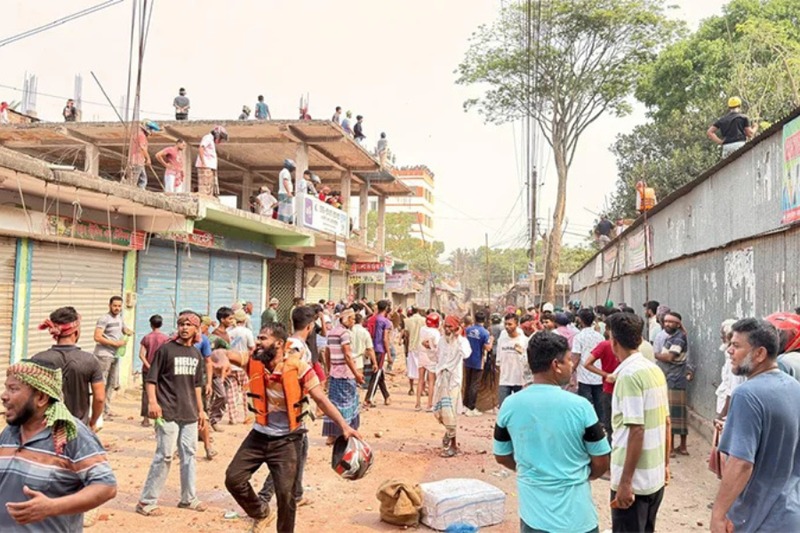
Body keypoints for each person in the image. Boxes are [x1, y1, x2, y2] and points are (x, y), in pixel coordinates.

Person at [224, 322, 362, 533]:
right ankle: (260, 511)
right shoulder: (254, 361)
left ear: (279, 343)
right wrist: (218, 357)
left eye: (263, 338)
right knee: (233, 479)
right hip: (259, 436)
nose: (257, 342)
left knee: (286, 496)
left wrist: (344, 426)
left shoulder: (299, 367)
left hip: (287, 440)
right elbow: (226, 355)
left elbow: (321, 400)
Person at [494, 331, 611, 533]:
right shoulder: (581, 407)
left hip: (534, 519)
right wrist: (577, 475)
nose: (572, 365)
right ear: (556, 366)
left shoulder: (510, 405)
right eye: (568, 360)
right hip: (577, 519)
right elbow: (601, 461)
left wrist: (532, 470)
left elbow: (502, 456)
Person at [0, 360, 117, 531]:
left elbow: (106, 486)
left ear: (41, 397)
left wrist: (52, 507)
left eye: (13, 389)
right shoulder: (9, 432)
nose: (4, 395)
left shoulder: (71, 435)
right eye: (6, 387)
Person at [711, 318, 800, 533]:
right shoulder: (795, 387)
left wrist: (718, 514)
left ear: (759, 354)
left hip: (756, 519)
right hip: (790, 515)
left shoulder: (747, 394)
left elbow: (741, 464)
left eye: (737, 345)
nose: (730, 351)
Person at [136, 312, 208, 517]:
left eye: (189, 324)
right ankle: (146, 501)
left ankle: (189, 498)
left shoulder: (196, 354)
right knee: (164, 455)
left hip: (190, 413)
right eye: (181, 324)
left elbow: (196, 386)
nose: (184, 327)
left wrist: (201, 410)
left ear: (196, 329)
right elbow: (151, 380)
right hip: (167, 411)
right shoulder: (165, 350)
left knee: (189, 455)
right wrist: (152, 402)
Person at [605, 312, 670, 533]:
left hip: (635, 484)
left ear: (613, 341)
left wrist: (625, 483)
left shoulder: (629, 376)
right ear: (640, 339)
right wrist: (665, 465)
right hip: (653, 478)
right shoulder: (654, 370)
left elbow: (636, 431)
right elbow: (666, 423)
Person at [32, 306, 104, 430]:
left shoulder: (38, 359)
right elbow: (100, 398)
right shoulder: (90, 360)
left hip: (46, 429)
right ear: (76, 332)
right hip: (79, 429)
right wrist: (93, 422)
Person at [322, 309, 364, 445]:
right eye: (352, 319)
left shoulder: (332, 332)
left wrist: (328, 369)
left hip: (334, 373)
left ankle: (331, 435)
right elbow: (347, 355)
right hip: (345, 374)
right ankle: (346, 432)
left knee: (333, 403)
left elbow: (327, 353)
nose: (353, 322)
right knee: (347, 403)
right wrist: (356, 373)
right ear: (346, 320)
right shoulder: (345, 334)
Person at [654, 311, 693, 456]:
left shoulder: (678, 338)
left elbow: (669, 357)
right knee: (678, 414)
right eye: (665, 321)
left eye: (671, 322)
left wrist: (656, 354)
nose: (667, 324)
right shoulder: (677, 336)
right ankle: (681, 447)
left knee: (671, 413)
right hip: (674, 378)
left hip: (674, 378)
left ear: (678, 324)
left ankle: (671, 448)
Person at [433, 315, 471, 458]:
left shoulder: (462, 341)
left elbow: (467, 354)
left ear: (456, 327)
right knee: (439, 412)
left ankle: (453, 446)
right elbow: (437, 357)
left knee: (450, 412)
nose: (448, 330)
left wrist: (459, 337)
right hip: (441, 379)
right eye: (446, 327)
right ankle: (449, 433)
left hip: (453, 381)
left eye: (450, 327)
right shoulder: (441, 341)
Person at [93, 296, 132, 418]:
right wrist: (115, 343)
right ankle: (98, 412)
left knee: (111, 384)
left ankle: (106, 410)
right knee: (102, 383)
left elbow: (123, 328)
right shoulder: (104, 319)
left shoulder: (119, 318)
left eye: (119, 306)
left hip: (115, 355)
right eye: (115, 306)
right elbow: (97, 337)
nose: (117, 308)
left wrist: (127, 331)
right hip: (104, 355)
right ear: (109, 305)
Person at [584, 336, 619, 441]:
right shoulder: (630, 347)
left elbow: (587, 363)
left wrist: (605, 374)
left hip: (609, 389)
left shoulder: (605, 345)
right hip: (621, 389)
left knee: (610, 426)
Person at [572, 308, 605, 422]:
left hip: (584, 376)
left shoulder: (578, 337)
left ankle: (586, 424)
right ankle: (601, 425)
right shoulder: (600, 336)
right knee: (599, 404)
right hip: (598, 374)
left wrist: (571, 372)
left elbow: (575, 358)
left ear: (580, 320)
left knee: (584, 404)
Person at [138, 314, 170, 427]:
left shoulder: (146, 338)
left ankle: (146, 418)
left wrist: (149, 366)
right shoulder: (166, 339)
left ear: (151, 324)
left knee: (146, 393)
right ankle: (160, 416)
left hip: (147, 370)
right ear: (161, 324)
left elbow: (141, 355)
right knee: (161, 392)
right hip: (161, 369)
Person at [495, 313, 530, 407]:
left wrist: (522, 352)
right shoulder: (502, 340)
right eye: (505, 324)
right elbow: (498, 361)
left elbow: (528, 362)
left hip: (520, 381)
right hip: (504, 381)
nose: (507, 327)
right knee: (503, 408)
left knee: (520, 408)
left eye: (510, 324)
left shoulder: (524, 341)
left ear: (517, 324)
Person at [463, 311, 492, 417]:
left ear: (474, 319)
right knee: (474, 384)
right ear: (484, 320)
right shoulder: (485, 333)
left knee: (468, 382)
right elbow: (488, 348)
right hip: (478, 361)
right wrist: (491, 341)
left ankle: (464, 405)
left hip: (467, 359)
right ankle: (471, 407)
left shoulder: (468, 330)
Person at [714, 319, 743, 420]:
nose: (721, 336)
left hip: (728, 408)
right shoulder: (728, 355)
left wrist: (722, 415)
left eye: (723, 333)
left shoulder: (735, 359)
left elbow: (732, 390)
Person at [365, 300, 392, 407]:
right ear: (386, 308)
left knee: (379, 374)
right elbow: (385, 339)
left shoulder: (371, 319)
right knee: (376, 374)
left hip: (371, 348)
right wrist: (389, 354)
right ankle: (369, 398)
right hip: (380, 350)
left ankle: (387, 396)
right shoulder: (386, 322)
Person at [417, 313, 442, 411]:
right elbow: (436, 345)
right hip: (431, 357)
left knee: (420, 380)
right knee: (431, 381)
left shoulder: (422, 329)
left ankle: (417, 404)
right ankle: (429, 405)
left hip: (421, 355)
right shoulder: (435, 332)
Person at [195, 125, 228, 197]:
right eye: (221, 138)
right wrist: (203, 162)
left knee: (210, 189)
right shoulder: (208, 138)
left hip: (210, 167)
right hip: (205, 167)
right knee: (205, 188)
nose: (220, 141)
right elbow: (201, 148)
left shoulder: (211, 140)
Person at [130, 120, 160, 189]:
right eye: (152, 130)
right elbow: (143, 148)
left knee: (143, 179)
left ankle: (140, 191)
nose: (152, 132)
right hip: (137, 161)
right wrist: (148, 159)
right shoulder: (141, 135)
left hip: (139, 161)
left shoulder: (138, 134)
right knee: (138, 180)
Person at [404, 307, 425, 398]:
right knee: (422, 369)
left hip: (412, 347)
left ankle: (411, 388)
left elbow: (406, 336)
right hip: (422, 347)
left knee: (411, 369)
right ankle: (422, 390)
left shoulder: (407, 321)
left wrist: (406, 349)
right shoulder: (424, 320)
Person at [277, 159, 295, 224]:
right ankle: (283, 222)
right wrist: (288, 192)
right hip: (285, 193)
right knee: (285, 208)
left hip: (284, 193)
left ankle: (286, 221)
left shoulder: (283, 171)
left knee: (287, 208)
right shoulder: (286, 172)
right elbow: (285, 182)